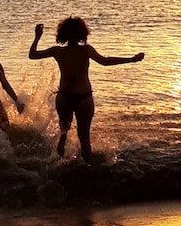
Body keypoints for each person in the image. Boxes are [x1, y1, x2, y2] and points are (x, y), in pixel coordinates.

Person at [29, 17, 144, 162]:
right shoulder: (86, 50)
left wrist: (37, 37)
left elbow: (32, 55)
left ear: (62, 34)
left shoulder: (57, 51)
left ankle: (58, 165)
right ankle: (88, 171)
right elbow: (106, 61)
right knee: (84, 137)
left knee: (63, 131)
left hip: (64, 97)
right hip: (83, 98)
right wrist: (131, 59)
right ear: (82, 33)